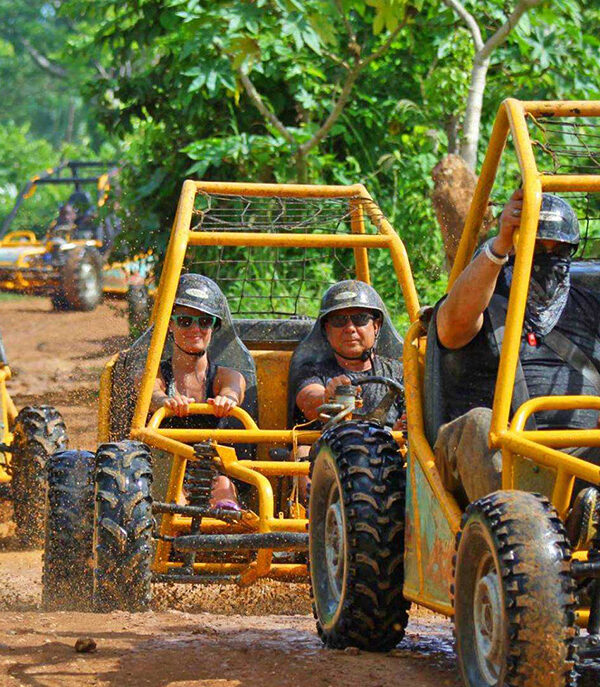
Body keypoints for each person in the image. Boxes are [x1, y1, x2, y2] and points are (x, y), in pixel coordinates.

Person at [433, 190, 600, 544]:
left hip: (577, 459)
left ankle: (577, 524)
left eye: (558, 250)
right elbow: (451, 327)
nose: (547, 258)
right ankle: (522, 539)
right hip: (495, 453)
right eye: (537, 247)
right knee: (481, 423)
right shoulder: (486, 294)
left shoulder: (588, 306)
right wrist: (499, 245)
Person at [151, 273, 246, 510]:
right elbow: (152, 394)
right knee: (175, 496)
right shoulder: (155, 373)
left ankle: (226, 528)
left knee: (224, 486)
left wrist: (227, 399)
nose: (195, 329)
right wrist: (166, 401)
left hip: (210, 470)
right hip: (164, 470)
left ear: (214, 327)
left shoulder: (226, 376)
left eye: (204, 322)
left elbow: (234, 389)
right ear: (170, 324)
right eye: (185, 321)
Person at [294, 280, 404, 430]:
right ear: (326, 330)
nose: (350, 328)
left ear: (376, 326)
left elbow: (416, 417)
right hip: (328, 444)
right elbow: (308, 401)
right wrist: (327, 397)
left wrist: (402, 430)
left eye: (360, 318)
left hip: (387, 444)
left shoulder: (399, 373)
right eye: (338, 320)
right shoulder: (311, 371)